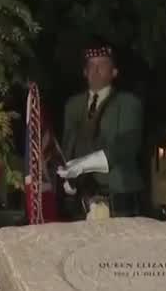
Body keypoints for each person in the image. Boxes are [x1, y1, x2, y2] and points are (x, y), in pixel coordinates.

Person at [60, 44, 145, 218]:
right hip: (81, 198)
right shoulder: (73, 106)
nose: (95, 70)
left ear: (114, 72)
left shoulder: (128, 104)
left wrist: (82, 165)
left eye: (102, 65)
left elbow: (125, 147)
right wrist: (67, 177)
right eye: (91, 65)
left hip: (118, 195)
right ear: (84, 72)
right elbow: (68, 145)